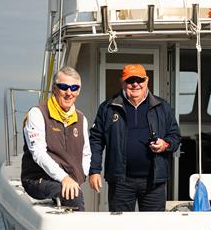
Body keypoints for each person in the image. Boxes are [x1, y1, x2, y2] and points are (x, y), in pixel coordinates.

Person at [89, 64, 181, 212]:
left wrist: (165, 144)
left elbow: (175, 136)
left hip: (154, 182)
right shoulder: (107, 107)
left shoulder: (162, 106)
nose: (135, 84)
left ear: (147, 81)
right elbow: (96, 141)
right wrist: (94, 171)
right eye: (130, 80)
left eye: (140, 80)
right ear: (123, 82)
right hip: (120, 182)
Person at [21, 67, 91, 210]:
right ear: (54, 89)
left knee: (73, 191)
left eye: (74, 88)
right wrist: (64, 178)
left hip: (68, 180)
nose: (69, 93)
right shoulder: (38, 113)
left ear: (78, 91)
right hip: (37, 179)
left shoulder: (81, 118)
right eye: (63, 87)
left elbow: (86, 153)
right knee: (74, 196)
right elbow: (38, 153)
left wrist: (80, 177)